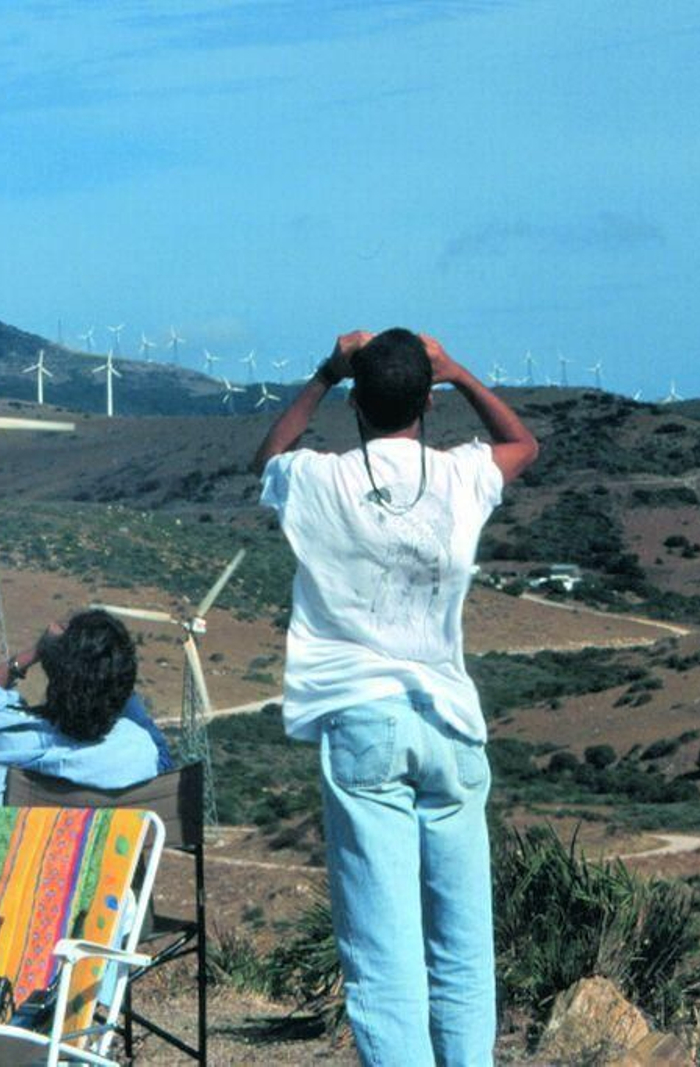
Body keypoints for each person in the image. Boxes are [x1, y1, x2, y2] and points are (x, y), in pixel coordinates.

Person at [251, 328, 538, 1065]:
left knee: (383, 954)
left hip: (363, 722)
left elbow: (268, 459)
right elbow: (523, 445)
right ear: (429, 402)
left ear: (356, 405)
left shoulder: (321, 479)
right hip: (451, 721)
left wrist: (323, 373)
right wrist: (458, 369)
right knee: (464, 943)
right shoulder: (461, 476)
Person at [0, 610, 174, 804]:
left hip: (25, 835)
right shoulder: (137, 750)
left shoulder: (6, 735)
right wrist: (112, 677)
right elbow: (164, 760)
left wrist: (39, 650)